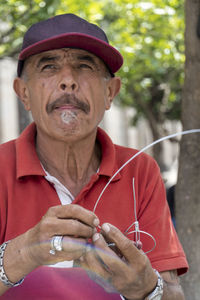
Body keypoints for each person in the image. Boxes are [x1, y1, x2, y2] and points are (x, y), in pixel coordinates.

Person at [0, 13, 188, 300]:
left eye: (84, 65)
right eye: (49, 66)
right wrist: (25, 252)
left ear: (110, 92)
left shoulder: (140, 170)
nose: (68, 81)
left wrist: (146, 288)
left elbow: (174, 294)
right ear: (23, 93)